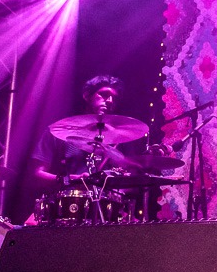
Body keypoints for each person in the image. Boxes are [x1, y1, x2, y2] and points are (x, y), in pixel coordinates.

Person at [28, 74, 174, 224]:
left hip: (108, 212)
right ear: (87, 96)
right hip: (64, 209)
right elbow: (36, 175)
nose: (110, 100)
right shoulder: (59, 132)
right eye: (103, 94)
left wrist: (132, 175)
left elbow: (131, 183)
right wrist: (70, 180)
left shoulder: (122, 139)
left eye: (114, 98)